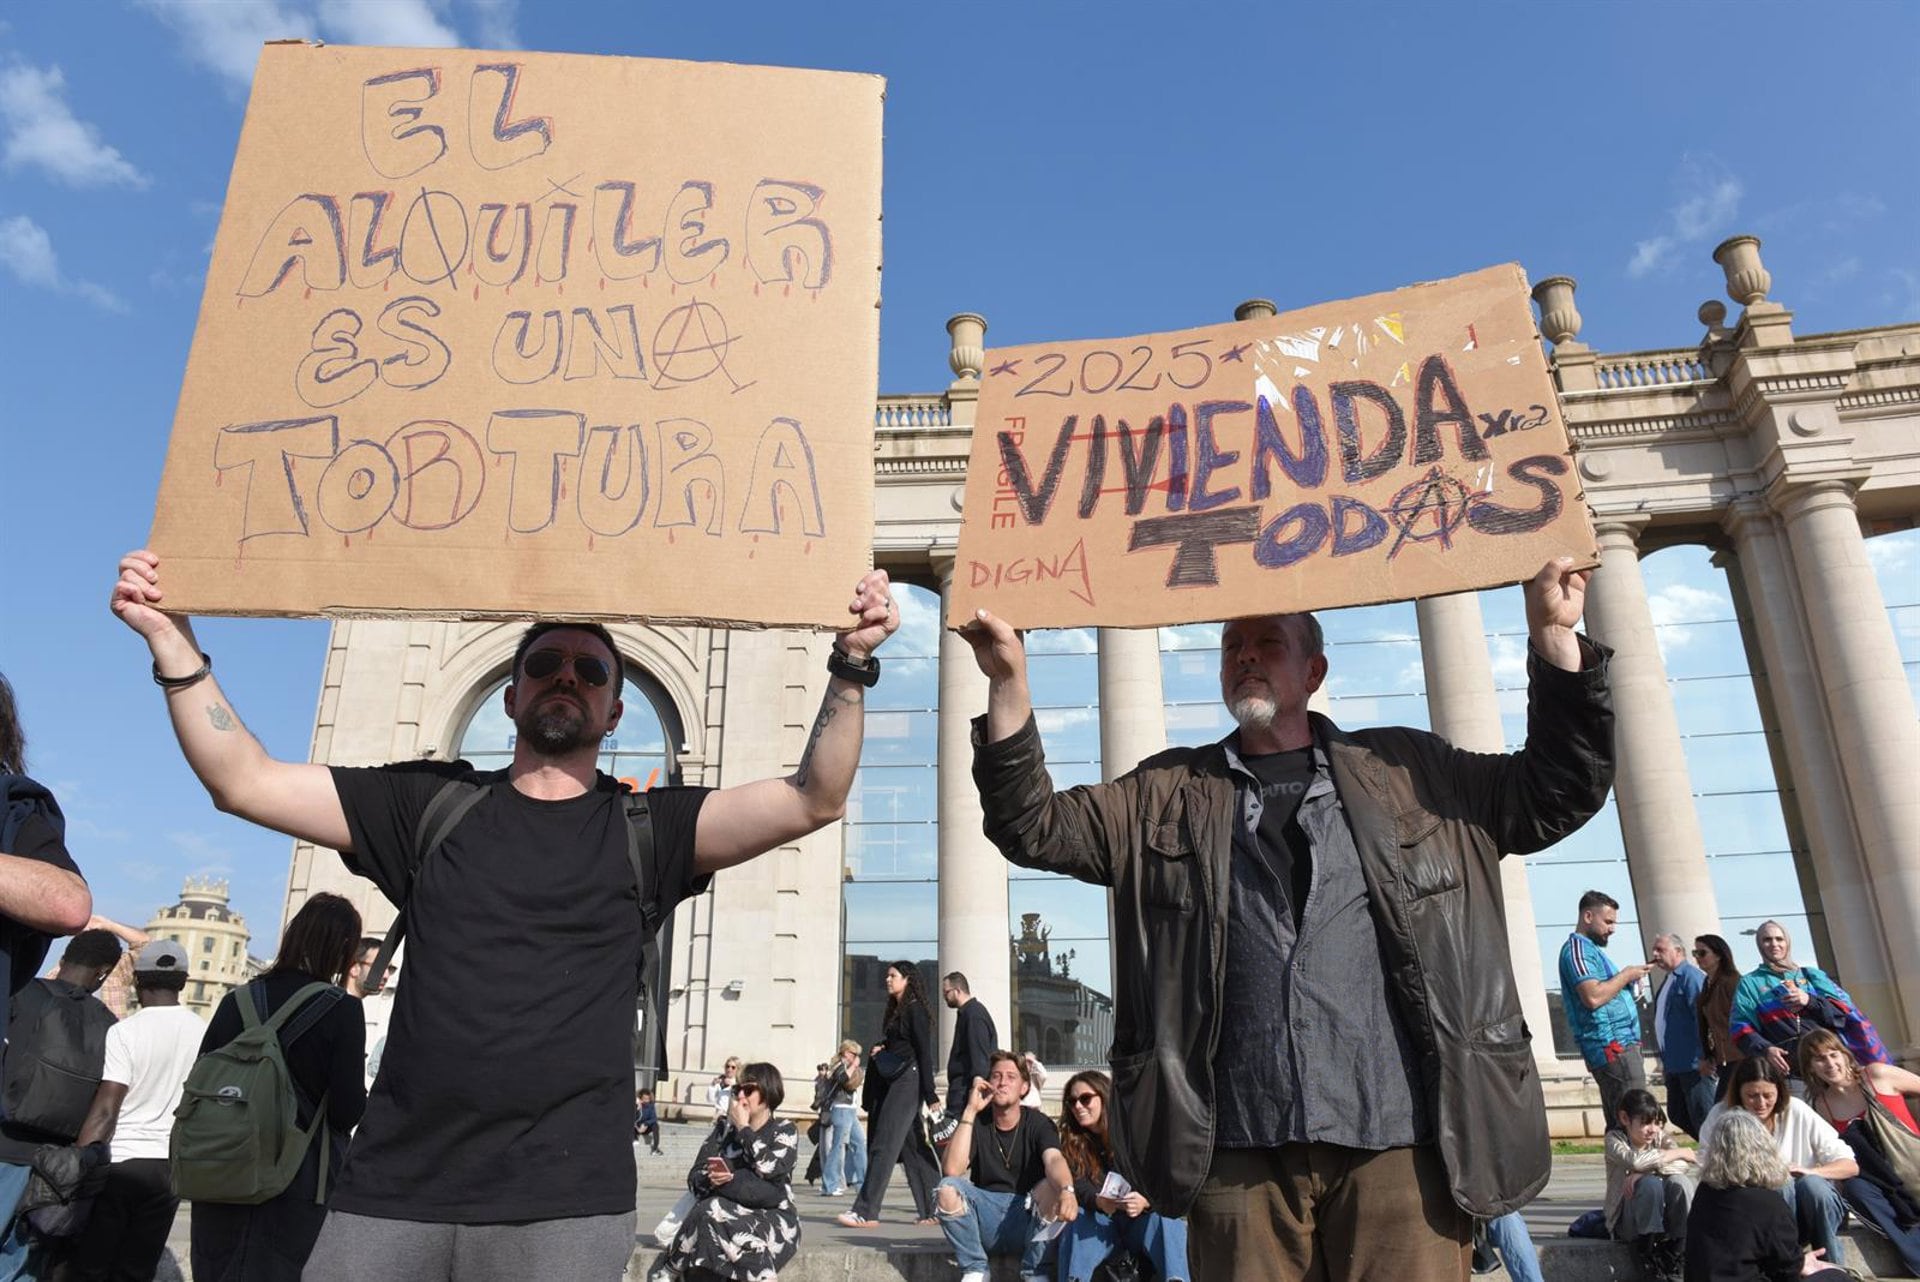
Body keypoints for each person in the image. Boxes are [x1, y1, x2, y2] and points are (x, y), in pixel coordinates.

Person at [111, 547, 898, 1280]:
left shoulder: (651, 833)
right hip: (389, 1193)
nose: (567, 677)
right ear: (511, 692)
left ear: (615, 711)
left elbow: (812, 799)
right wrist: (171, 642)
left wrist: (852, 660)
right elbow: (242, 781)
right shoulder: (427, 804)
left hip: (565, 1208)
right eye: (545, 664)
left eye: (590, 670)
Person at [965, 557, 1615, 1275]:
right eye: (1231, 645)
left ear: (1313, 670)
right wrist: (1006, 683)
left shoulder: (1412, 771)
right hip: (1237, 1146)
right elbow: (1032, 825)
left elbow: (1557, 789)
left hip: (1402, 1142)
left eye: (1267, 642)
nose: (1244, 655)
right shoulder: (1164, 791)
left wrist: (1556, 638)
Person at [190, 892, 367, 1282]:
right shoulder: (342, 1009)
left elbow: (202, 1077)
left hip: (221, 1164)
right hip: (297, 1178)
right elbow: (345, 1110)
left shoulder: (235, 1001)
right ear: (342, 950)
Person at [66, 940, 206, 1282]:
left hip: (121, 1162)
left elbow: (106, 1109)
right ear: (184, 982)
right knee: (138, 1269)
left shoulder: (125, 1032)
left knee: (92, 1266)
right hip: (170, 1167)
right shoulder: (204, 1034)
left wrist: (76, 1165)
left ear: (138, 981)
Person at [0, 929, 121, 1277]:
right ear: (103, 972)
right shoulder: (110, 1025)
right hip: (52, 1169)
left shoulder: (21, 993)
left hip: (4, 1143)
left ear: (64, 958)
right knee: (23, 1264)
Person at [1699, 1057, 1857, 1270]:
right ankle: (1787, 1264)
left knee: (1814, 1185)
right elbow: (1708, 1170)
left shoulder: (1797, 1110)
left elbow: (1850, 1165)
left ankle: (1833, 1266)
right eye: (1752, 1096)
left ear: (1779, 1092)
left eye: (1768, 1096)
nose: (1761, 1103)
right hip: (1755, 1214)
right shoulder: (1721, 1116)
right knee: (1780, 1185)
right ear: (1738, 1094)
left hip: (1809, 1208)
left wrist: (1809, 1170)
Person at [650, 1062, 799, 1282]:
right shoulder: (723, 1130)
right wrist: (716, 1178)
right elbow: (696, 1176)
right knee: (711, 1216)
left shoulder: (784, 1130)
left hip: (772, 1216)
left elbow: (771, 1170)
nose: (741, 1097)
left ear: (768, 1092)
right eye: (737, 1090)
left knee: (712, 1211)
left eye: (748, 1090)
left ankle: (670, 1269)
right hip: (723, 1217)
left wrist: (744, 1129)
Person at [936, 1051, 1074, 1282]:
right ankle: (975, 1269)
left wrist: (1067, 1190)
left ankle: (1035, 1272)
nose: (1002, 1082)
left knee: (1053, 1188)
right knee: (947, 1188)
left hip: (1027, 1217)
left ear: (1024, 1087)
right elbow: (951, 1170)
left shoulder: (1039, 1123)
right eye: (996, 1076)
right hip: (986, 1216)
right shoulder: (978, 1121)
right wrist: (970, 1110)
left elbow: (1054, 1159)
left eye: (1011, 1076)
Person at [1798, 1029, 1920, 1275]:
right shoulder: (1822, 1107)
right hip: (1881, 1182)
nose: (1830, 1064)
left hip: (1912, 1164)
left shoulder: (1878, 1075)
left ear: (1845, 1055)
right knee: (1855, 1189)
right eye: (1820, 1059)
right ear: (1810, 1068)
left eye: (1834, 1055)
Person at [1054, 1070, 1189, 1282]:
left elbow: (1163, 1177)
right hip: (1102, 1224)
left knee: (1166, 1218)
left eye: (1085, 1099)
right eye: (1072, 1102)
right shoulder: (1072, 1141)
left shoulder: (1134, 1130)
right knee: (1077, 1218)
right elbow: (1076, 1184)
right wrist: (1097, 1201)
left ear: (1104, 1096)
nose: (1078, 1106)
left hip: (1139, 1223)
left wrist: (1146, 1201)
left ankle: (1177, 1279)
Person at [1685, 1110, 1850, 1282]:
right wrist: (1800, 1263)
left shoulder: (1705, 1192)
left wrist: (1798, 1261)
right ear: (1763, 1148)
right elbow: (1786, 1271)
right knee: (1837, 1277)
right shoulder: (1767, 1203)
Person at [837, 961, 939, 1228]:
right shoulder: (898, 1010)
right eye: (887, 975)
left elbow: (924, 1052)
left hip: (910, 1081)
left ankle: (866, 1211)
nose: (887, 980)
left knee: (884, 1143)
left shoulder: (915, 1009)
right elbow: (900, 1044)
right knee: (914, 1148)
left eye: (893, 975)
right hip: (899, 1080)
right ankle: (936, 1209)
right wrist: (882, 1047)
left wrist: (930, 1094)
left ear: (908, 979)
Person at [1730, 920, 1889, 1087]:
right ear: (1759, 945)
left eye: (1779, 939)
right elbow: (1740, 1027)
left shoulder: (1812, 975)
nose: (1774, 944)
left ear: (1788, 942)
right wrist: (1766, 1049)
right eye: (1767, 940)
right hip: (1791, 1074)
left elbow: (1842, 1014)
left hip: (1832, 1067)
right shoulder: (1749, 983)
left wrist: (1809, 1001)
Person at [1559, 890, 1651, 1127]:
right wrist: (1627, 974)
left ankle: (1630, 1162)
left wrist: (1627, 985)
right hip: (1613, 1048)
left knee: (1627, 1124)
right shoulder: (1577, 950)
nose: (1612, 929)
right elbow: (1593, 996)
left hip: (1619, 1047)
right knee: (1635, 1124)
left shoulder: (1591, 951)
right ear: (1588, 916)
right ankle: (1637, 1163)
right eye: (1608, 922)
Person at [1603, 1087, 1695, 1281]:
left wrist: (1645, 1170)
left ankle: (1678, 1252)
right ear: (1625, 1118)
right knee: (1650, 1184)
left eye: (1655, 1123)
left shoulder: (1661, 1138)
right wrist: (1674, 1155)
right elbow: (1634, 1161)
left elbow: (1683, 1166)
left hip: (1663, 1218)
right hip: (1629, 1222)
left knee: (1681, 1182)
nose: (1652, 1129)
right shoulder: (1614, 1140)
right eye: (1645, 1123)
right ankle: (1646, 1256)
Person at [1650, 932, 1716, 1139]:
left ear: (1678, 951)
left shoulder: (1691, 977)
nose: (1655, 954)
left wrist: (1705, 1055)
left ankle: (1717, 1160)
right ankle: (1709, 1153)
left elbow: (1705, 1019)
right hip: (1674, 1066)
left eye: (1660, 950)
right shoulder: (1669, 980)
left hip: (1694, 1065)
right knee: (1678, 1113)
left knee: (1705, 1118)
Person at [937, 973, 997, 1146]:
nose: (944, 997)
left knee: (954, 1143)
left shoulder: (973, 1015)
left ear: (957, 991)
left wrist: (975, 1088)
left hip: (965, 1092)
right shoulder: (969, 1014)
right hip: (963, 1089)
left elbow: (979, 1055)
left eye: (946, 993)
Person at [1693, 934, 1739, 1100]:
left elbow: (1740, 1018)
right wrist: (1708, 1055)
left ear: (1718, 955)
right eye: (1695, 953)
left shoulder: (1732, 981)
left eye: (1702, 953)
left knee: (1722, 1110)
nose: (1698, 958)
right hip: (1722, 1059)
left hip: (1739, 1057)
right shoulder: (1707, 984)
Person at [819, 1040, 866, 1197]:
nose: (857, 1057)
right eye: (854, 1054)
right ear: (846, 1053)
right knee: (837, 1146)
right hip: (840, 1110)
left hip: (851, 1110)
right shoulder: (838, 1065)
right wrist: (853, 1066)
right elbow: (842, 1079)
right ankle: (829, 1185)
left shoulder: (848, 1066)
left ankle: (862, 1183)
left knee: (859, 1143)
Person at [635, 1090, 661, 1157]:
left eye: (648, 1099)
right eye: (644, 1099)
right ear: (640, 1099)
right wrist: (637, 1109)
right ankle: (634, 1138)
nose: (646, 1101)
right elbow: (632, 1119)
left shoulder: (651, 1106)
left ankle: (655, 1148)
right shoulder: (636, 1106)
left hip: (645, 1128)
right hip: (637, 1128)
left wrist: (646, 1124)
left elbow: (654, 1118)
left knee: (655, 1125)